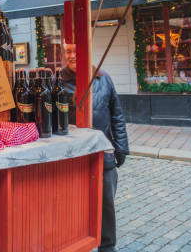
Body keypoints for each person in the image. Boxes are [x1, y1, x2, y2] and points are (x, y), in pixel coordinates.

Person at [61, 43, 129, 252]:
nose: (72, 55)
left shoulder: (104, 79)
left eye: (77, 50)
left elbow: (117, 115)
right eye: (68, 52)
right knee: (71, 206)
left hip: (103, 154)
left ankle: (108, 247)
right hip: (71, 157)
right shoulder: (57, 82)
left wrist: (121, 148)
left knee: (105, 204)